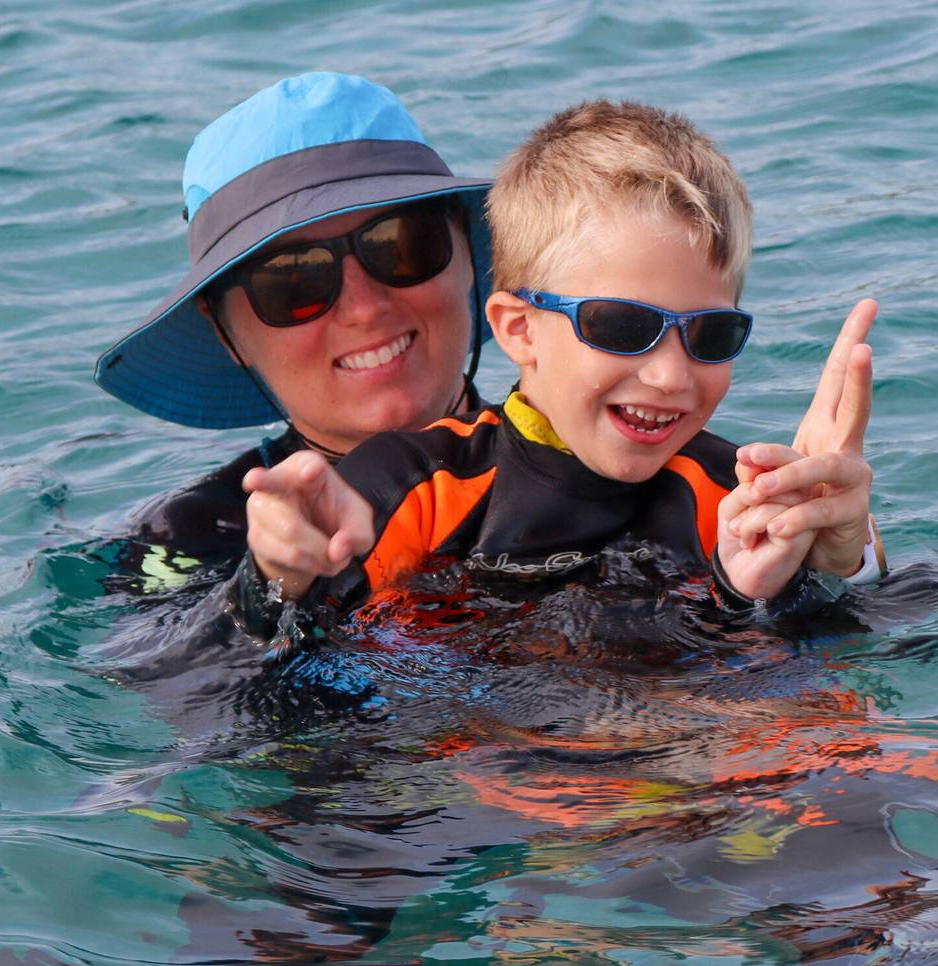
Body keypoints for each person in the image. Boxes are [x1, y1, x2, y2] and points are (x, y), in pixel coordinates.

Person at [94, 73, 878, 595]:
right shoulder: (190, 538)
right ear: (227, 332)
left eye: (403, 247)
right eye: (292, 281)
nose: (364, 307)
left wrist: (837, 559)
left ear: (475, 262)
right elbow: (205, 745)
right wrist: (276, 591)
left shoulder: (694, 473)